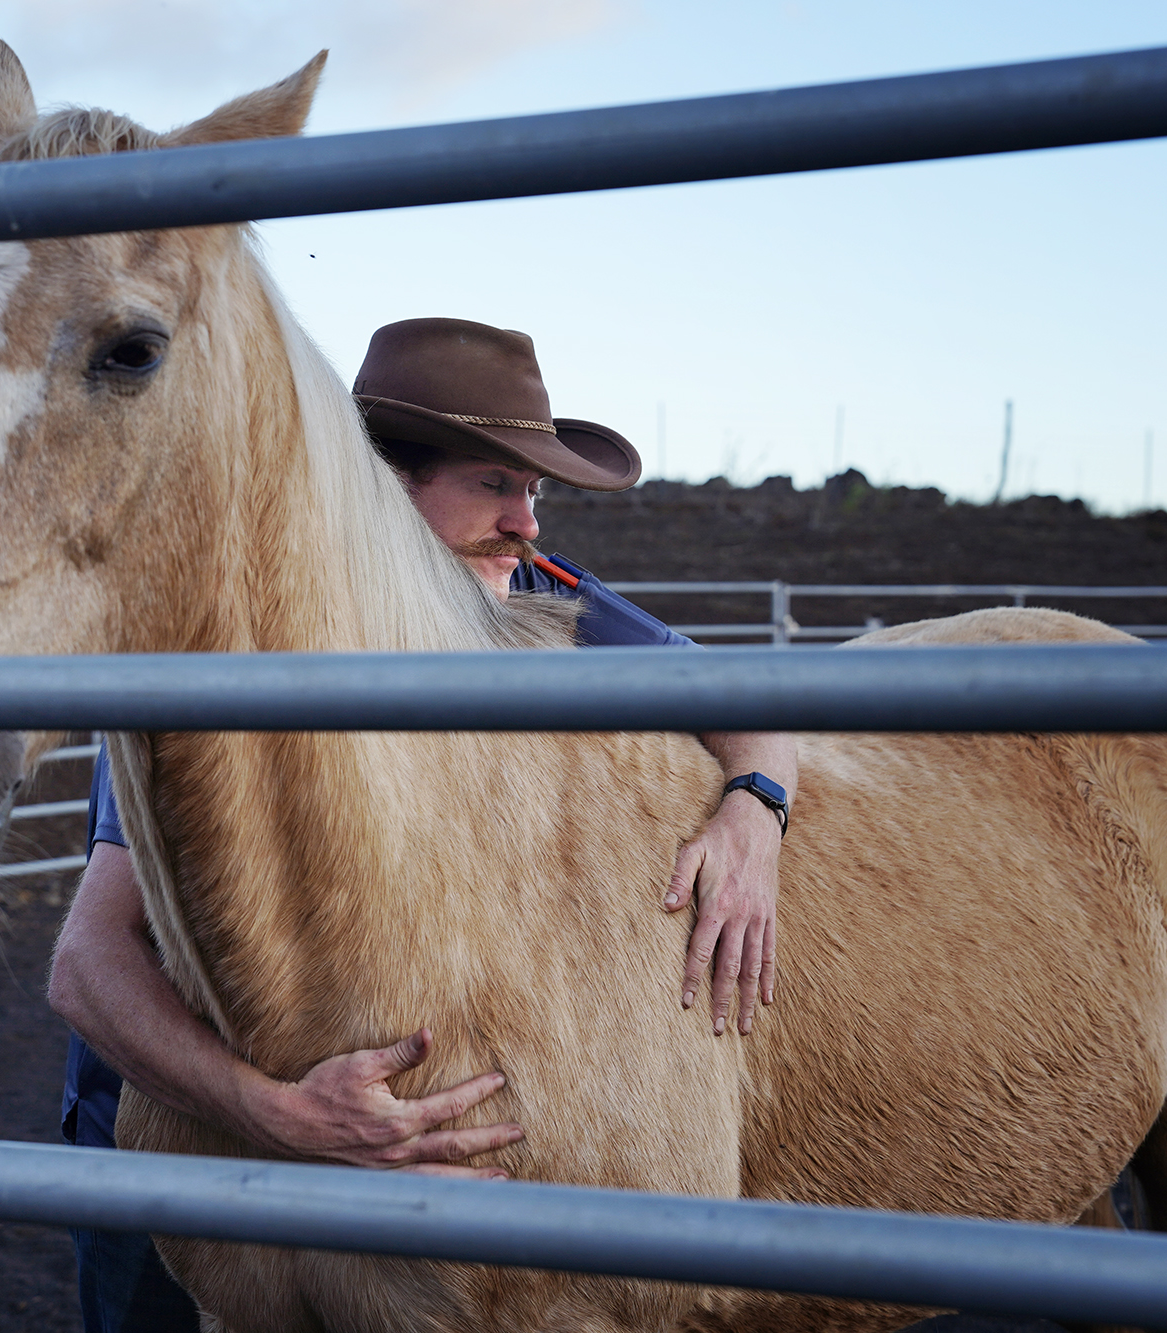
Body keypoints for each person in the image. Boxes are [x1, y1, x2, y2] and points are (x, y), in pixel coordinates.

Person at [47, 318, 798, 1332]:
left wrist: (756, 806)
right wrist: (277, 1115)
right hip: (183, 1127)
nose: (526, 523)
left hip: (387, 1134)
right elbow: (88, 958)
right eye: (494, 483)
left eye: (535, 491)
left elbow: (742, 692)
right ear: (386, 487)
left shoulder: (529, 594)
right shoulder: (233, 651)